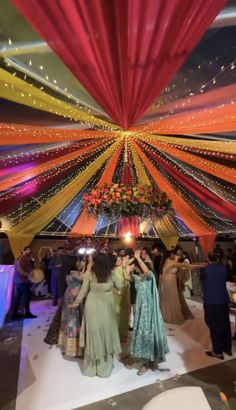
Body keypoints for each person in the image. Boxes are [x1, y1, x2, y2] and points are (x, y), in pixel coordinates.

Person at [72, 253, 123, 377]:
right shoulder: (111, 274)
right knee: (105, 332)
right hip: (106, 308)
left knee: (94, 333)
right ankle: (103, 367)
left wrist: (76, 303)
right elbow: (121, 286)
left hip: (92, 307)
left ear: (94, 262)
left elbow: (83, 291)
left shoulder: (90, 274)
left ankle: (92, 367)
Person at [124, 250, 169, 375]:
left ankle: (147, 362)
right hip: (140, 311)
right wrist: (126, 263)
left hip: (148, 313)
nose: (133, 267)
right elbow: (126, 276)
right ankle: (141, 357)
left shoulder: (150, 278)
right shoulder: (137, 278)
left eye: (135, 266)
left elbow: (148, 271)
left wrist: (138, 259)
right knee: (140, 334)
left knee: (147, 335)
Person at [200, 252, 232, 360]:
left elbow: (203, 283)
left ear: (208, 259)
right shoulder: (224, 268)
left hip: (211, 300)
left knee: (213, 325)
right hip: (223, 300)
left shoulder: (205, 270)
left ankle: (218, 351)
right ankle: (227, 348)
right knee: (225, 325)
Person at [159, 250, 203, 324]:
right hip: (170, 283)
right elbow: (185, 265)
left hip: (167, 282)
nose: (175, 255)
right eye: (174, 254)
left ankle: (166, 315)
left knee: (168, 299)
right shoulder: (170, 261)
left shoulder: (165, 260)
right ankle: (171, 316)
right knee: (172, 299)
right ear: (171, 254)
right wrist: (199, 266)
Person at [12, 246, 37, 319]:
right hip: (22, 280)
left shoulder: (23, 258)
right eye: (28, 250)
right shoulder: (23, 258)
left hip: (19, 280)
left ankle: (14, 314)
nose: (29, 251)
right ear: (24, 251)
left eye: (30, 250)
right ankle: (27, 313)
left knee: (18, 297)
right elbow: (20, 270)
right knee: (27, 296)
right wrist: (29, 275)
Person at [113, 255, 130, 343]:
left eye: (120, 260)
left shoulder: (124, 268)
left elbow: (127, 279)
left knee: (123, 313)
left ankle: (122, 334)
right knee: (116, 313)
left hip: (124, 292)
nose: (119, 261)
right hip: (116, 294)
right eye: (117, 260)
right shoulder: (114, 270)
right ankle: (115, 335)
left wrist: (125, 266)